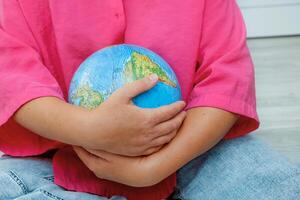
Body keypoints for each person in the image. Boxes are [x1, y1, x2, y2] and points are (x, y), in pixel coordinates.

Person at [0, 0, 299, 199]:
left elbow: (227, 77)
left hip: (195, 148)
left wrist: (157, 166)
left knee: (278, 185)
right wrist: (89, 129)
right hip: (59, 157)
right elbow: (11, 76)